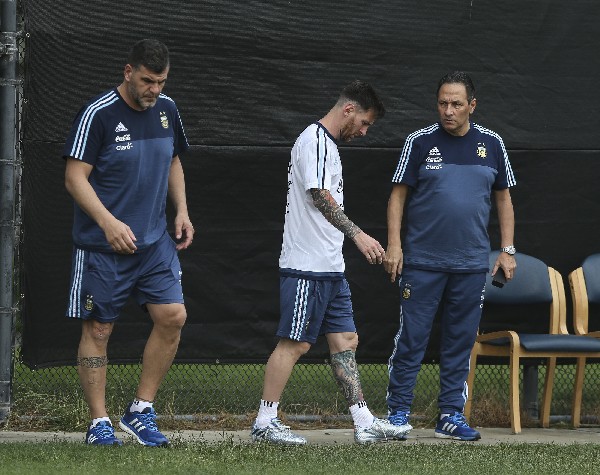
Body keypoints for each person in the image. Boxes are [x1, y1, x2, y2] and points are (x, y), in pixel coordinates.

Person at [251, 80, 411, 446]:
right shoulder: (315, 140)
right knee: (295, 343)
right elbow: (319, 196)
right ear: (349, 110)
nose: (365, 131)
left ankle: (363, 421)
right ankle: (265, 420)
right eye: (365, 123)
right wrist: (357, 235)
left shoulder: (329, 146)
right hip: (306, 266)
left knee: (346, 339)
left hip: (330, 268)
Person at [63, 39, 193, 446]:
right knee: (99, 329)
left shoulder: (168, 110)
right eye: (147, 80)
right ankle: (98, 422)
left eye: (161, 81)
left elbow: (173, 160)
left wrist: (182, 211)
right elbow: (74, 177)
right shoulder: (98, 114)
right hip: (103, 247)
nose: (154, 89)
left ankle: (140, 410)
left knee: (173, 316)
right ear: (128, 72)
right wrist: (108, 223)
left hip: (154, 242)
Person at [384, 71, 517, 441]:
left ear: (472, 106)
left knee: (460, 340)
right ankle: (397, 413)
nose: (448, 110)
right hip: (423, 262)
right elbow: (397, 195)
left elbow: (504, 199)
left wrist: (506, 250)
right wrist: (394, 245)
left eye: (457, 104)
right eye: (443, 102)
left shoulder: (492, 144)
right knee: (412, 337)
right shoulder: (419, 142)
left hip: (472, 264)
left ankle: (450, 416)